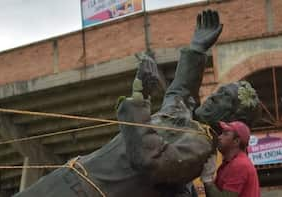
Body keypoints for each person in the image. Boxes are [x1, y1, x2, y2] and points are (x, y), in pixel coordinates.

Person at [14, 10, 260, 197]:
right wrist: (196, 48)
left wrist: (139, 99)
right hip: (71, 174)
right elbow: (182, 88)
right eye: (221, 91)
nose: (216, 96)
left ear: (230, 119)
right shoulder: (183, 114)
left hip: (87, 192)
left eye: (225, 98)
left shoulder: (199, 147)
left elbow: (149, 160)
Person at [200, 121, 260, 197]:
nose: (219, 137)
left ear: (236, 141)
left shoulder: (239, 165)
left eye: (225, 134)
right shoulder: (229, 163)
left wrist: (207, 179)